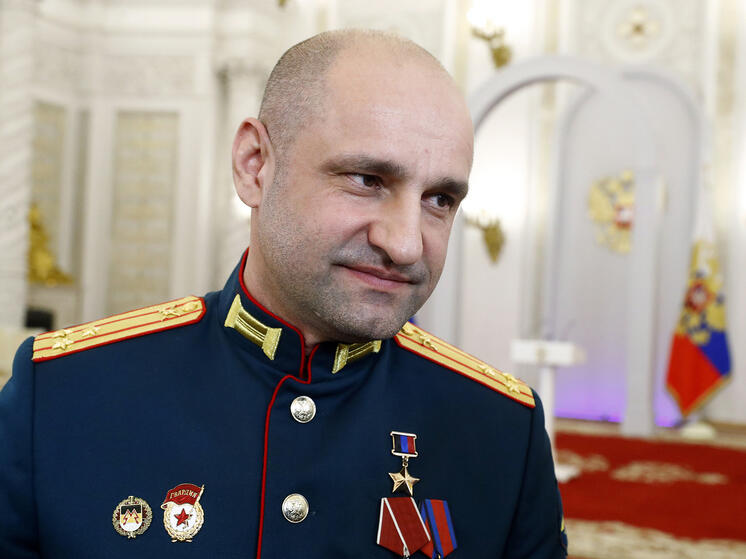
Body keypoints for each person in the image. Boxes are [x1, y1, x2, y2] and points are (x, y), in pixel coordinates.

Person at [0, 29, 567, 558]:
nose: (405, 244)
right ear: (255, 166)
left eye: (439, 199)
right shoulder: (63, 393)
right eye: (367, 180)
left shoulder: (501, 431)